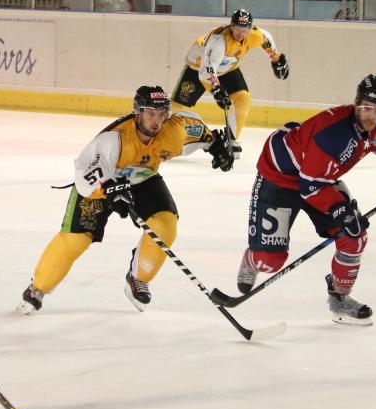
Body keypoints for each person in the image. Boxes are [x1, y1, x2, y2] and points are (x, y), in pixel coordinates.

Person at [233, 75, 376, 326]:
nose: (371, 116)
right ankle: (253, 258)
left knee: (353, 236)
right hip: (280, 177)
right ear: (356, 103)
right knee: (270, 261)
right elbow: (310, 186)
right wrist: (341, 210)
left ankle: (339, 299)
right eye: (365, 107)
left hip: (318, 177)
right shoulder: (332, 135)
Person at [17, 85, 241, 314]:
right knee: (76, 239)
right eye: (150, 113)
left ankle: (138, 278)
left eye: (161, 114)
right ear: (138, 113)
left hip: (144, 179)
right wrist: (108, 191)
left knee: (165, 223)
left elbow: (196, 127)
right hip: (102, 184)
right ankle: (38, 288)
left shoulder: (172, 132)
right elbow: (83, 172)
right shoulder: (113, 140)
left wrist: (215, 145)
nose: (156, 120)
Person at [171, 9, 289, 139]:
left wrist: (277, 59)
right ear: (231, 26)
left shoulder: (255, 36)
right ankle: (168, 134)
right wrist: (216, 88)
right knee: (177, 105)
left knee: (243, 99)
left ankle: (231, 139)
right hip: (198, 67)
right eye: (237, 28)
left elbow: (266, 39)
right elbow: (207, 70)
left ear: (250, 29)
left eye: (244, 30)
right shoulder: (219, 41)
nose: (240, 33)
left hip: (228, 69)